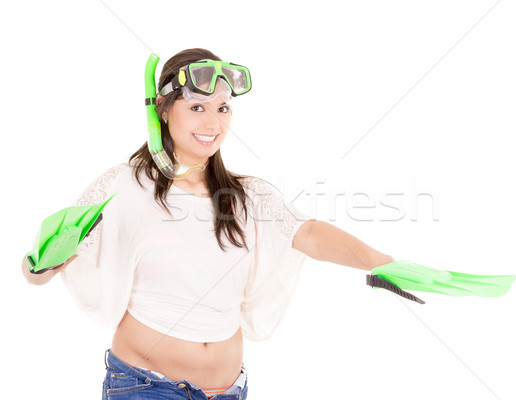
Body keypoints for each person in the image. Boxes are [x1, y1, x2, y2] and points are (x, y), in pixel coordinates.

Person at [21, 48, 395, 400]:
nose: (213, 123)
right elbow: (37, 271)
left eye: (223, 108)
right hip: (145, 385)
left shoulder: (248, 196)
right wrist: (42, 261)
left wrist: (384, 264)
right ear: (163, 110)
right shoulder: (124, 184)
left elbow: (308, 233)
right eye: (197, 106)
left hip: (230, 389)